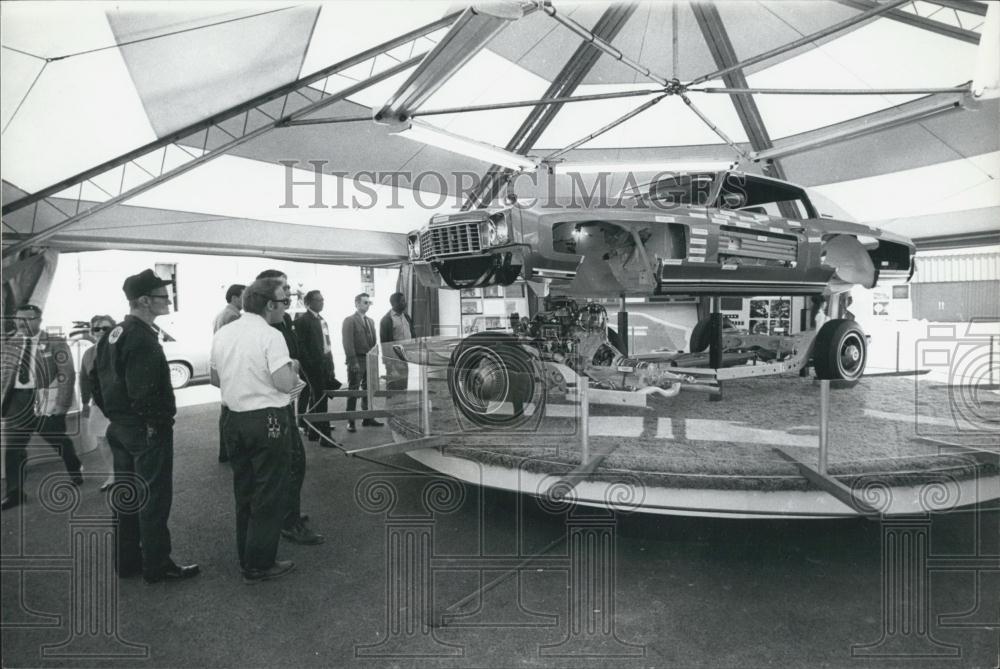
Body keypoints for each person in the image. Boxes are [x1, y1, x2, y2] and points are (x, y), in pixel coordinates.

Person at [90, 269, 200, 583]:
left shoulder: (115, 332)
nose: (169, 300)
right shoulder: (141, 337)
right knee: (153, 497)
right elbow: (144, 390)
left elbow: (95, 378)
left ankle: (127, 562)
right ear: (144, 301)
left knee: (127, 497)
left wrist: (115, 414)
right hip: (145, 430)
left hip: (121, 427)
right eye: (163, 296)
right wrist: (155, 423)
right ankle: (157, 565)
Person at [211, 277, 303, 583]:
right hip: (268, 420)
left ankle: (247, 556)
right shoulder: (271, 335)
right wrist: (294, 368)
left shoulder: (225, 332)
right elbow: (284, 383)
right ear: (268, 305)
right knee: (269, 493)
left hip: (233, 419)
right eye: (284, 302)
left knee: (245, 490)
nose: (286, 308)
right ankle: (260, 563)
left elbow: (215, 378)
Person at [255, 270, 322, 546]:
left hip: (283, 401)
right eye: (284, 289)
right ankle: (288, 522)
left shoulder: (281, 321)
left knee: (292, 464)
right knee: (291, 464)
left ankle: (288, 515)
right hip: (273, 405)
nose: (288, 295)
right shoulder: (267, 327)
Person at [1, 304, 83, 510]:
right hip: (17, 402)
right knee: (13, 448)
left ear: (39, 320)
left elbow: (66, 374)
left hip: (44, 398)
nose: (21, 323)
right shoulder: (13, 342)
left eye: (27, 319)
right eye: (18, 319)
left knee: (57, 440)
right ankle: (15, 492)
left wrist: (62, 405)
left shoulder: (54, 342)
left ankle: (74, 467)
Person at [294, 290, 338, 444]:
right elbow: (300, 347)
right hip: (313, 366)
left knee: (317, 397)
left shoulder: (321, 319)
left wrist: (330, 363)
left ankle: (313, 430)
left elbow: (327, 343)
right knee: (320, 397)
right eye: (318, 300)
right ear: (309, 302)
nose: (322, 302)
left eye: (322, 299)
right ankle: (325, 437)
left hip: (324, 363)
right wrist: (310, 364)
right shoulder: (302, 321)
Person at [79, 314, 117, 491]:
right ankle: (113, 475)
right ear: (91, 332)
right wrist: (85, 403)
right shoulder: (88, 353)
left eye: (106, 328)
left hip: (120, 404)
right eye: (97, 328)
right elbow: (84, 379)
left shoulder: (121, 349)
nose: (101, 331)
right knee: (102, 440)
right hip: (98, 404)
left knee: (124, 440)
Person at [213, 284, 245, 464]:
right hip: (231, 367)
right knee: (232, 411)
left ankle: (225, 451)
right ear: (234, 297)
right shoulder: (233, 317)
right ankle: (229, 450)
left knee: (226, 409)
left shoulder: (222, 314)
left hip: (223, 367)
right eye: (243, 296)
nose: (246, 300)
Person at [342, 292, 383, 432]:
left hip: (369, 359)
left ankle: (368, 418)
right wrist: (352, 361)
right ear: (357, 303)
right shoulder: (349, 320)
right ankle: (351, 421)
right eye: (365, 302)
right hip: (357, 359)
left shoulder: (370, 321)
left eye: (368, 302)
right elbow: (348, 343)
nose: (367, 305)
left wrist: (375, 358)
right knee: (353, 390)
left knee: (369, 389)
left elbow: (374, 342)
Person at [379, 292, 415, 391]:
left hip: (406, 357)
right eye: (402, 301)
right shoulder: (386, 320)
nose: (405, 303)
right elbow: (384, 343)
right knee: (393, 386)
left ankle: (401, 405)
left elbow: (413, 335)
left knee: (404, 385)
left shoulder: (407, 317)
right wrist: (389, 362)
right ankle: (391, 405)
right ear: (395, 303)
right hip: (394, 359)